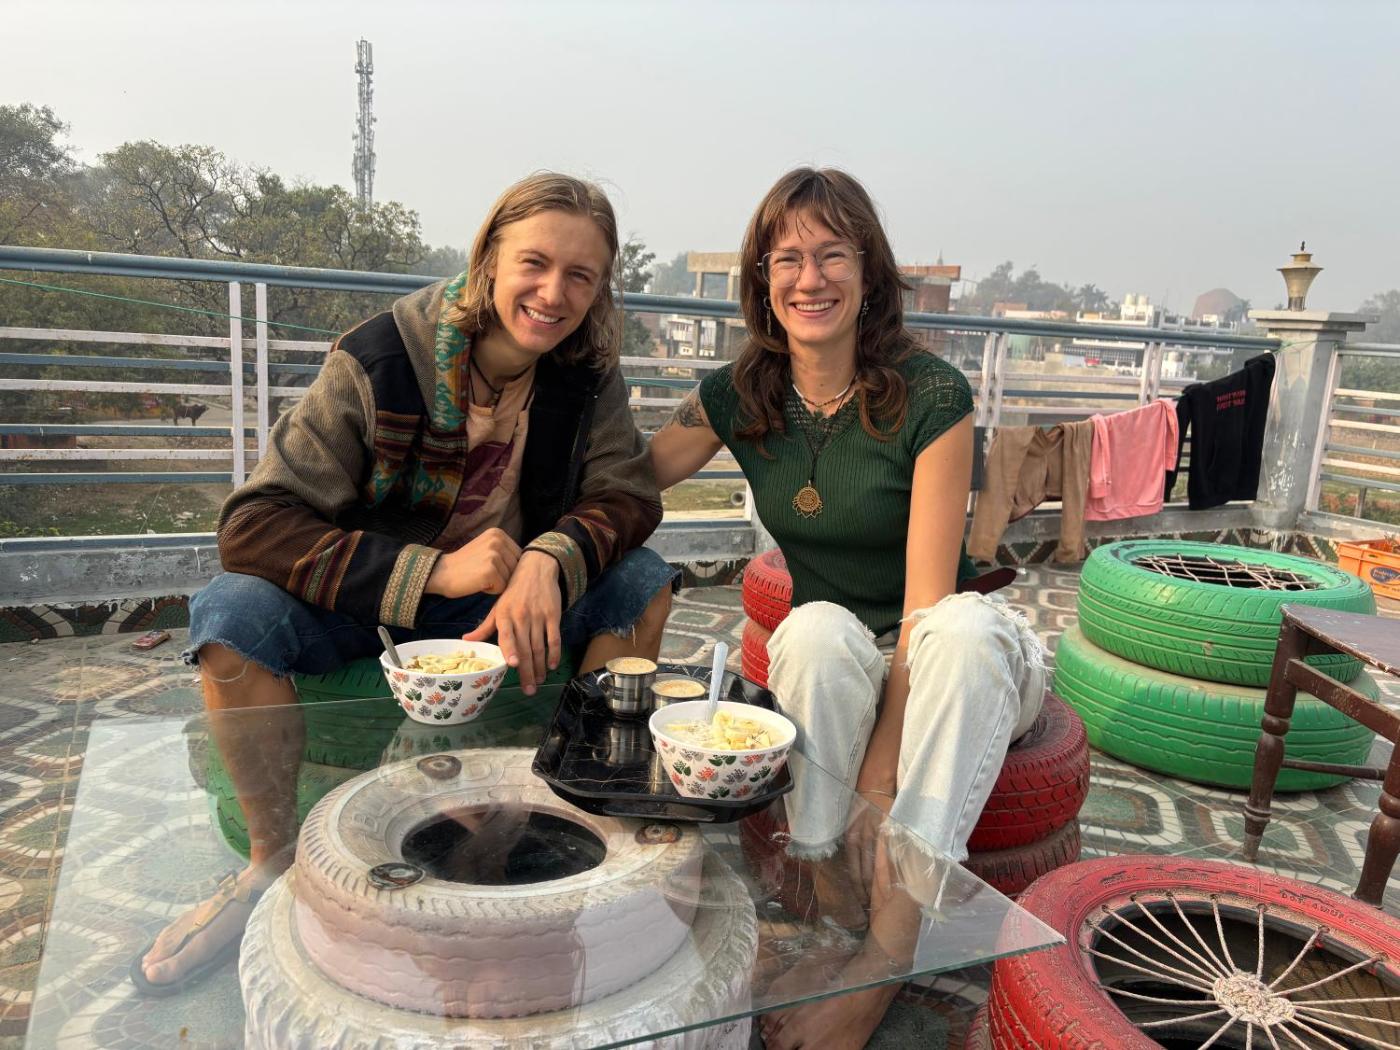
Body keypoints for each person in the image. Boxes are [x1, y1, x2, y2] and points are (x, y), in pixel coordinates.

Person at [132, 172, 678, 995]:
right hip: (372, 602)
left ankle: (581, 809)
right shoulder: (382, 359)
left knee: (640, 581)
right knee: (230, 613)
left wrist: (546, 558)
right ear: (489, 259)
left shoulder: (584, 376)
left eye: (580, 276)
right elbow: (254, 524)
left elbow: (628, 494)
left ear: (600, 291)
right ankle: (269, 864)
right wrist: (435, 570)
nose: (553, 293)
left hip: (501, 604)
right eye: (534, 263)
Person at [649, 167, 1045, 1049]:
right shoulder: (742, 394)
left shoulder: (931, 395)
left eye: (833, 255)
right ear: (762, 279)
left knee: (962, 631)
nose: (810, 278)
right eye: (787, 259)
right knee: (814, 631)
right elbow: (634, 479)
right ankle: (833, 911)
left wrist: (877, 777)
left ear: (869, 272)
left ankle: (884, 958)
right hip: (851, 654)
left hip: (962, 662)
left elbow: (926, 608)